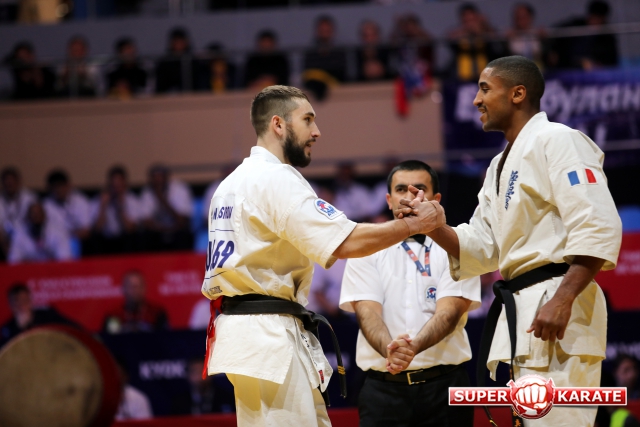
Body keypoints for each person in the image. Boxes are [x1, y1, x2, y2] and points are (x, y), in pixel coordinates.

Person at [396, 56, 622, 426]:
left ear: (517, 94)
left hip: (556, 304)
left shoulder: (558, 140)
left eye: (485, 89)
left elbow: (597, 223)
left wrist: (563, 299)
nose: (476, 100)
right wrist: (434, 227)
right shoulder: (499, 164)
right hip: (526, 310)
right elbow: (484, 247)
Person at [201, 85, 444, 427]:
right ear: (278, 124)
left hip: (250, 334)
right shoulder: (276, 179)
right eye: (307, 120)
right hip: (268, 336)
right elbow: (346, 241)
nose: (317, 131)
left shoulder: (230, 184)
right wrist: (413, 226)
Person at [339, 160, 480, 427]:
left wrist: (411, 349)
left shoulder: (458, 244)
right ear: (388, 200)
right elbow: (367, 312)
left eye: (419, 190)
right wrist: (390, 351)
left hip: (445, 388)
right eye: (401, 189)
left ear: (436, 200)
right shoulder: (366, 247)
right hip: (383, 390)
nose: (409, 197)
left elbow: (450, 312)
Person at [0, 283, 77, 347]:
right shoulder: (7, 329)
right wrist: (21, 328)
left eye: (24, 300)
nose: (21, 305)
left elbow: (72, 327)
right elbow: (5, 353)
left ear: (30, 300)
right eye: (17, 302)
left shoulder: (47, 316)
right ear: (10, 304)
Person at [548, 0, 618, 70]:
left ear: (604, 19)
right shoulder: (576, 26)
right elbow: (556, 34)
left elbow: (611, 61)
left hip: (595, 71)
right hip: (569, 67)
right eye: (593, 17)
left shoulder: (607, 36)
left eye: (599, 18)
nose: (595, 21)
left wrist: (595, 64)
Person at [88, 165, 142, 254]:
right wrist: (103, 207)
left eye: (118, 185)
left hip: (125, 241)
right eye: (113, 185)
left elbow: (129, 229)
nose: (116, 188)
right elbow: (97, 229)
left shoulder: (132, 200)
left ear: (125, 183)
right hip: (104, 242)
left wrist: (120, 206)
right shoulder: (99, 200)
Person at [139, 164, 193, 251]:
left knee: (185, 235)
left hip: (177, 231)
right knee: (144, 236)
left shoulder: (180, 189)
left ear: (167, 176)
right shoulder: (147, 192)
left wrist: (162, 200)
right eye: (154, 178)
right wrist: (163, 229)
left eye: (160, 176)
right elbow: (145, 221)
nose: (158, 180)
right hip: (157, 232)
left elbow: (183, 220)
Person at [447, 3, 502, 81]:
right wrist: (467, 30)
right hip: (463, 79)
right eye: (466, 21)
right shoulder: (459, 35)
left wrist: (483, 28)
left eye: (472, 20)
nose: (470, 24)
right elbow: (450, 38)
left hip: (486, 78)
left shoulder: (486, 32)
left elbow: (497, 41)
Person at [103, 270, 169, 334]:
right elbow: (108, 338)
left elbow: (164, 338)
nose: (134, 290)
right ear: (123, 288)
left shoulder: (157, 313)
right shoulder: (114, 315)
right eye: (130, 286)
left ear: (144, 288)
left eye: (138, 286)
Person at [8, 201, 73, 264]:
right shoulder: (19, 234)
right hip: (29, 270)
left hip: (53, 269)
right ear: (27, 218)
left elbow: (65, 260)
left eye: (39, 214)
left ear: (45, 216)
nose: (36, 217)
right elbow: (13, 261)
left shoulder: (58, 232)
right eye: (33, 215)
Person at [303, 15, 347, 100]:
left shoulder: (339, 52)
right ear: (317, 31)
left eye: (327, 30)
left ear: (332, 31)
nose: (324, 33)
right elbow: (308, 73)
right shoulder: (310, 53)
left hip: (337, 93)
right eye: (322, 30)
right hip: (314, 93)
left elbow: (341, 73)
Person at [43, 169, 92, 241]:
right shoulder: (45, 205)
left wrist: (68, 236)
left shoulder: (80, 201)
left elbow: (86, 231)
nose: (59, 190)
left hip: (78, 241)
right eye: (55, 186)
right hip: (56, 242)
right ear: (49, 188)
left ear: (68, 185)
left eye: (61, 186)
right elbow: (46, 232)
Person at [0, 166, 37, 258]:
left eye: (12, 182)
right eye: (7, 182)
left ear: (18, 182)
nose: (9, 184)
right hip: (4, 239)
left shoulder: (29, 198)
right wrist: (4, 244)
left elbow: (36, 220)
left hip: (27, 237)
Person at [155, 27, 196, 93]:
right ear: (171, 43)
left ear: (186, 42)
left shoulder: (194, 61)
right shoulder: (165, 63)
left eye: (181, 41)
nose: (179, 44)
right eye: (176, 41)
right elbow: (160, 87)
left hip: (192, 95)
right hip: (169, 96)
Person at [505, 3, 546, 67]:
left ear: (530, 17)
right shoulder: (509, 36)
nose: (520, 20)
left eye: (523, 17)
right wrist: (505, 41)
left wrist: (545, 40)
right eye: (517, 17)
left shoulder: (539, 34)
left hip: (537, 68)